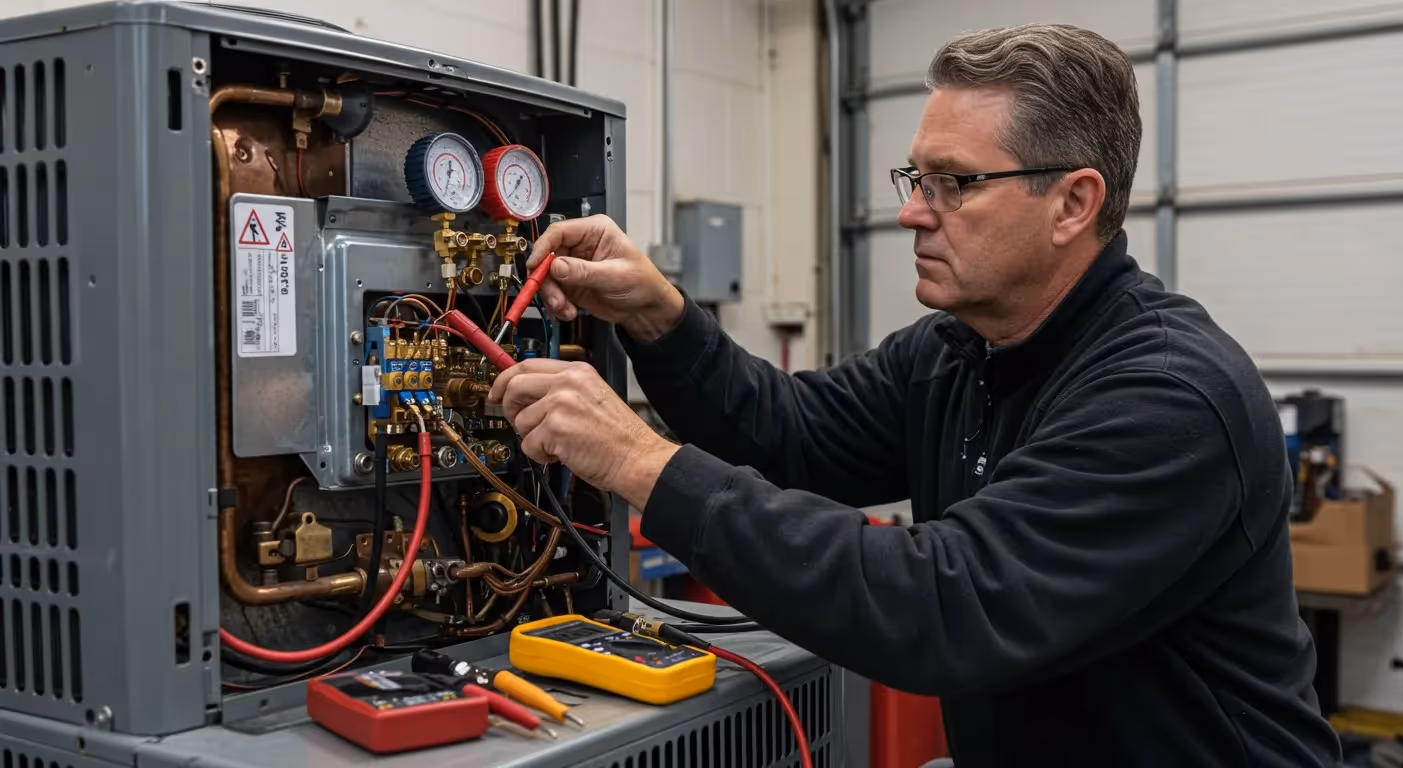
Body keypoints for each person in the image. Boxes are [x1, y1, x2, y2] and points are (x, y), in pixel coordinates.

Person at [488, 23, 1340, 767]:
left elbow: (947, 605)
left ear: (1073, 204)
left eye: (954, 183)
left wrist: (639, 461)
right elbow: (790, 434)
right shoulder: (960, 350)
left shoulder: (1166, 395)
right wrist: (660, 318)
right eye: (917, 178)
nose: (913, 213)